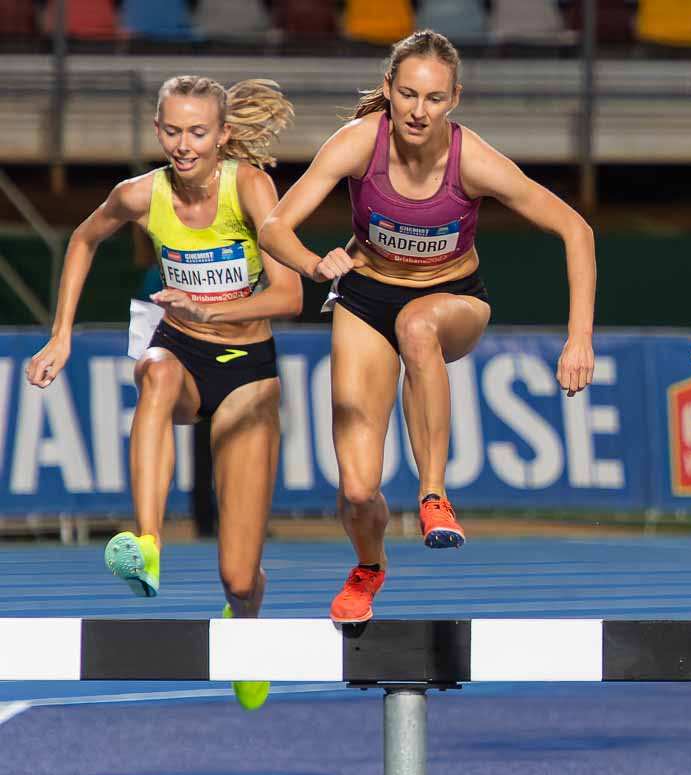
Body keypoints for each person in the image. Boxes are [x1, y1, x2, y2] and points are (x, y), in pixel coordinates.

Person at [258, 30, 597, 623]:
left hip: (453, 302)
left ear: (454, 100)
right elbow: (273, 229)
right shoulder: (358, 143)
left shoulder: (473, 160)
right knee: (357, 487)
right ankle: (368, 566)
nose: (418, 111)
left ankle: (434, 495)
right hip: (365, 299)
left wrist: (580, 338)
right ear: (389, 89)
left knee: (418, 325)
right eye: (408, 94)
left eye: (434, 98)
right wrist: (315, 264)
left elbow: (576, 230)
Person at [25, 76, 300, 711]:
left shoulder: (250, 187)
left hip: (247, 369)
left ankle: (245, 621)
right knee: (155, 370)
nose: (183, 145)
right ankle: (147, 543)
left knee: (238, 576)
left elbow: (289, 296)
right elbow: (84, 238)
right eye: (172, 131)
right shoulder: (140, 194)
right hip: (178, 349)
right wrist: (61, 335)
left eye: (197, 132)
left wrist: (209, 309)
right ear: (157, 130)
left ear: (222, 135)